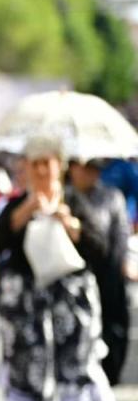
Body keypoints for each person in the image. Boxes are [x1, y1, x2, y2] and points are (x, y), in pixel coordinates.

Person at [0, 135, 116, 401]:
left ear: (60, 167)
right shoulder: (16, 203)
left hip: (70, 302)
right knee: (28, 370)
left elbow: (99, 248)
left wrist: (69, 223)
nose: (43, 170)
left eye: (48, 163)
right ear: (26, 169)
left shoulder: (75, 201)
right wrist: (27, 209)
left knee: (75, 367)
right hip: (27, 302)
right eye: (35, 164)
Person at [67, 156, 131, 385]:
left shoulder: (111, 196)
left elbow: (120, 233)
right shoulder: (65, 197)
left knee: (113, 323)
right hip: (74, 273)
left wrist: (124, 262)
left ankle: (110, 372)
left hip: (107, 271)